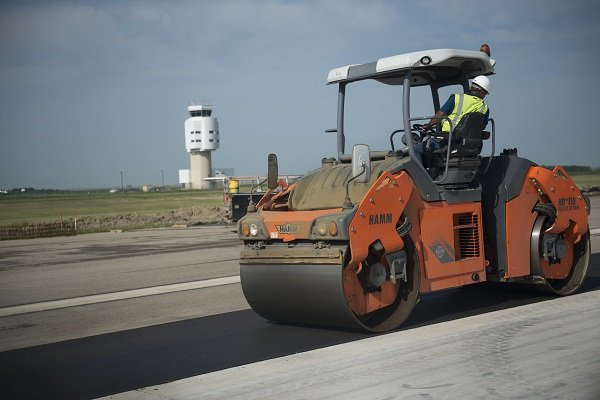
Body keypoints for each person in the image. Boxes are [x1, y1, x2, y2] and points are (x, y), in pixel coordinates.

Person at [414, 75, 491, 162]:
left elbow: (440, 114)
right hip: (469, 145)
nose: (484, 95)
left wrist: (428, 126)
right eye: (485, 93)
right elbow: (482, 126)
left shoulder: (457, 98)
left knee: (415, 150)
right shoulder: (485, 108)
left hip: (447, 141)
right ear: (480, 90)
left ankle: (421, 175)